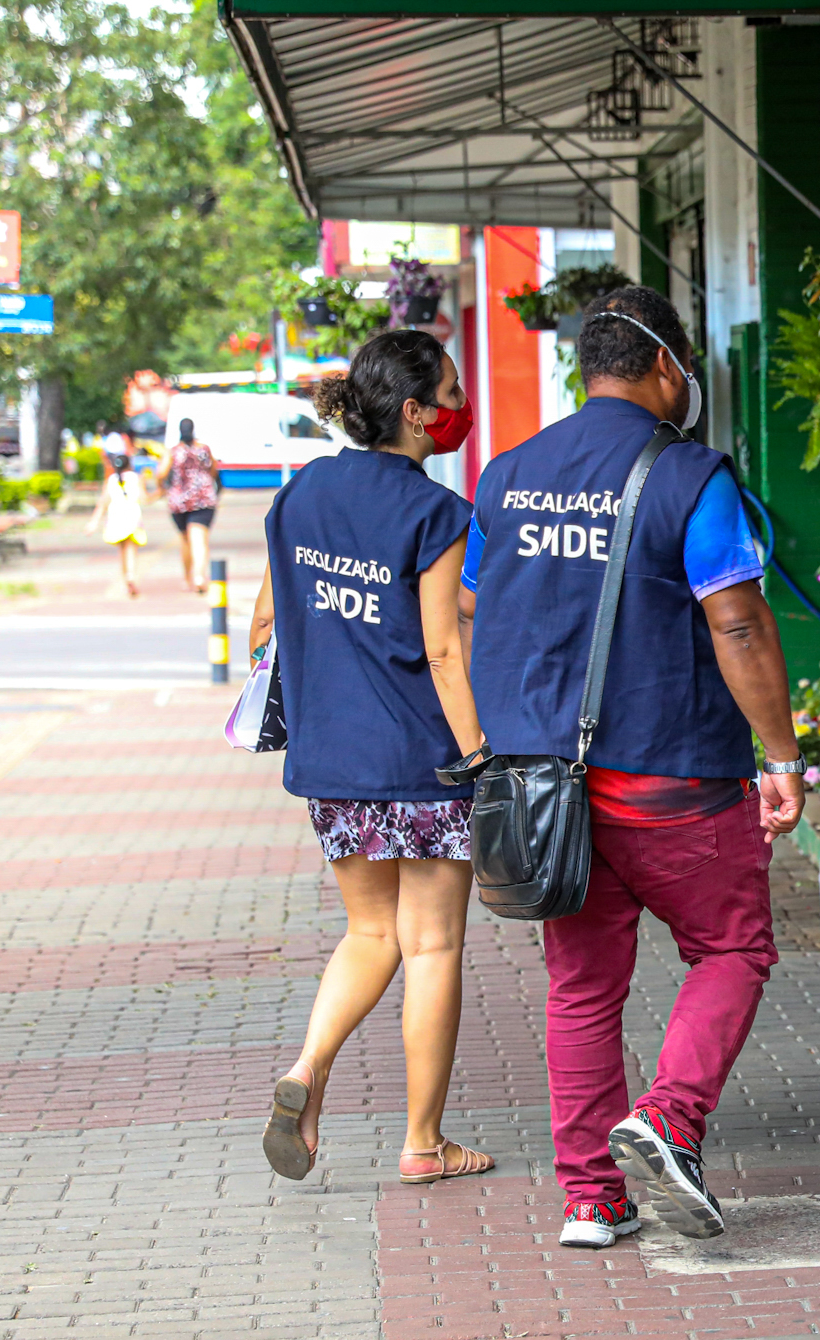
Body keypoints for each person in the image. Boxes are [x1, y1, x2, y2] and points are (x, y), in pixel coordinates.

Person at [460, 285, 805, 1250]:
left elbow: (480, 606)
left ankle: (590, 1201)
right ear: (665, 367)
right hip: (674, 780)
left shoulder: (509, 474)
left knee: (581, 989)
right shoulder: (694, 480)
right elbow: (736, 620)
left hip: (547, 793)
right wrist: (782, 755)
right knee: (731, 951)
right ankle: (670, 1116)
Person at [247, 328, 491, 1186]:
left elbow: (264, 627)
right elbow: (443, 653)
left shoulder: (301, 492)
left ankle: (307, 1070)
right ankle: (424, 1144)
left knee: (367, 931)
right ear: (419, 414)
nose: (463, 407)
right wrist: (481, 759)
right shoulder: (436, 512)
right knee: (430, 946)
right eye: (454, 393)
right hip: (422, 759)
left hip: (332, 757)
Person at [155, 417, 220, 592]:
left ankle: (188, 576)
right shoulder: (204, 449)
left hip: (179, 502)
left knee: (185, 539)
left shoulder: (173, 451)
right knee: (199, 538)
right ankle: (199, 576)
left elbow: (160, 473)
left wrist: (162, 489)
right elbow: (213, 471)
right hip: (203, 500)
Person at [85, 449, 146, 597]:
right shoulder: (137, 478)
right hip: (133, 518)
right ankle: (131, 576)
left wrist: (93, 522)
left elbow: (103, 503)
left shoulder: (111, 480)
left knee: (123, 550)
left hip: (116, 519)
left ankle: (127, 580)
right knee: (132, 549)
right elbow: (144, 498)